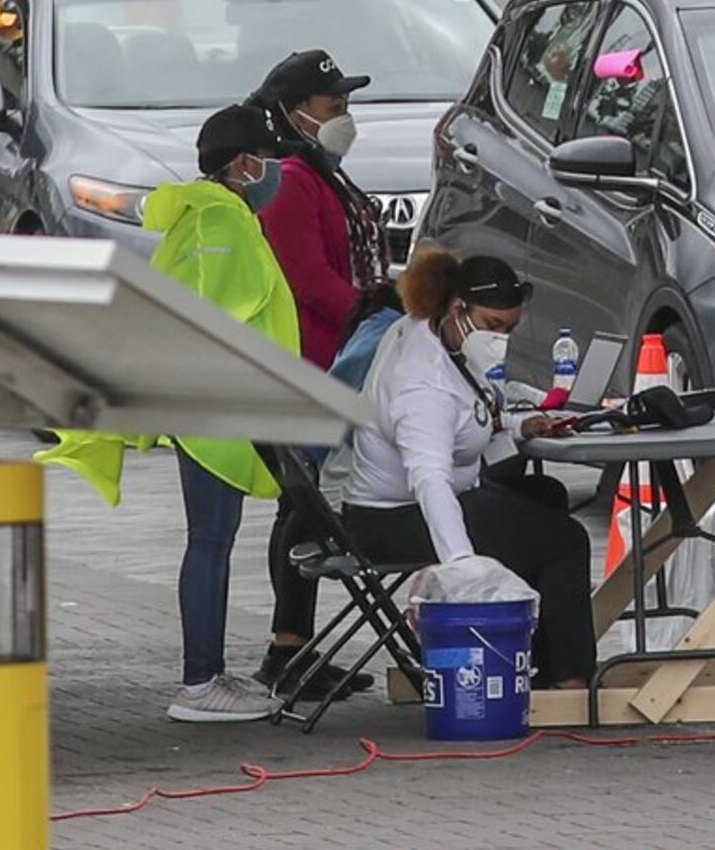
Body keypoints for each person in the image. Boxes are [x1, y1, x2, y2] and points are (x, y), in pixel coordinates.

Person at [43, 103, 299, 724]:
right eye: (267, 160)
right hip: (214, 408)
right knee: (210, 542)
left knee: (211, 541)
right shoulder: (222, 222)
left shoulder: (209, 215)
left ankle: (206, 673)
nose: (275, 173)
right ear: (243, 164)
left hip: (211, 406)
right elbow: (219, 314)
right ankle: (199, 682)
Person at [321, 248, 596, 688]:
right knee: (565, 541)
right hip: (392, 517)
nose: (500, 338)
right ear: (458, 308)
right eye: (493, 326)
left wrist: (520, 423)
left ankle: (536, 662)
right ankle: (571, 681)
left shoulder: (431, 332)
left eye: (510, 329)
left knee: (546, 499)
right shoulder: (422, 382)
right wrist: (464, 565)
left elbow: (467, 415)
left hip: (402, 502)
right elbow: (429, 478)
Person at [243, 47, 395, 702]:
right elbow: (307, 279)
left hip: (340, 359)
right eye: (335, 104)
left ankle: (295, 647)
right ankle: (287, 651)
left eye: (348, 103)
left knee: (303, 509)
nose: (346, 114)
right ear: (294, 112)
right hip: (312, 365)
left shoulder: (325, 174)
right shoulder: (292, 182)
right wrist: (372, 313)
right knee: (299, 507)